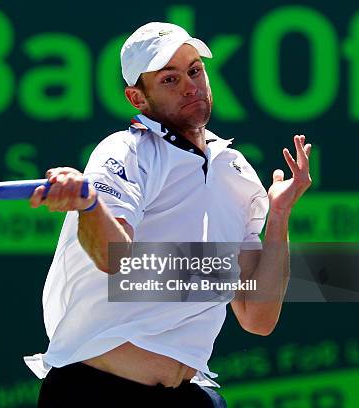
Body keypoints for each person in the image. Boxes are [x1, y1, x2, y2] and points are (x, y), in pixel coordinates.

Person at [24, 22, 312, 407]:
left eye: (194, 71)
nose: (190, 86)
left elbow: (258, 318)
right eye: (169, 79)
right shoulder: (124, 152)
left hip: (189, 394)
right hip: (95, 392)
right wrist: (90, 204)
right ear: (137, 99)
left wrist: (278, 217)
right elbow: (114, 258)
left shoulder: (237, 171)